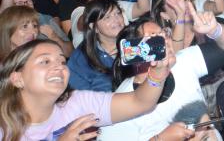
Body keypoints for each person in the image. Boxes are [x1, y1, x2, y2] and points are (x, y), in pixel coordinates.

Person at [99, 8, 224, 141]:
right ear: (136, 55)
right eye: (155, 39)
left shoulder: (183, 62)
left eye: (164, 34)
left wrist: (215, 30)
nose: (166, 41)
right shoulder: (122, 103)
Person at [0, 38, 174, 141]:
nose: (59, 67)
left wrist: (158, 73)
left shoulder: (76, 102)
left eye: (62, 61)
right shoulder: (3, 127)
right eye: (45, 61)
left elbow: (140, 102)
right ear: (17, 78)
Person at [66, 0, 124, 91]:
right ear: (94, 27)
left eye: (118, 13)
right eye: (107, 17)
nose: (116, 20)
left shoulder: (135, 43)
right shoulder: (81, 58)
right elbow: (79, 96)